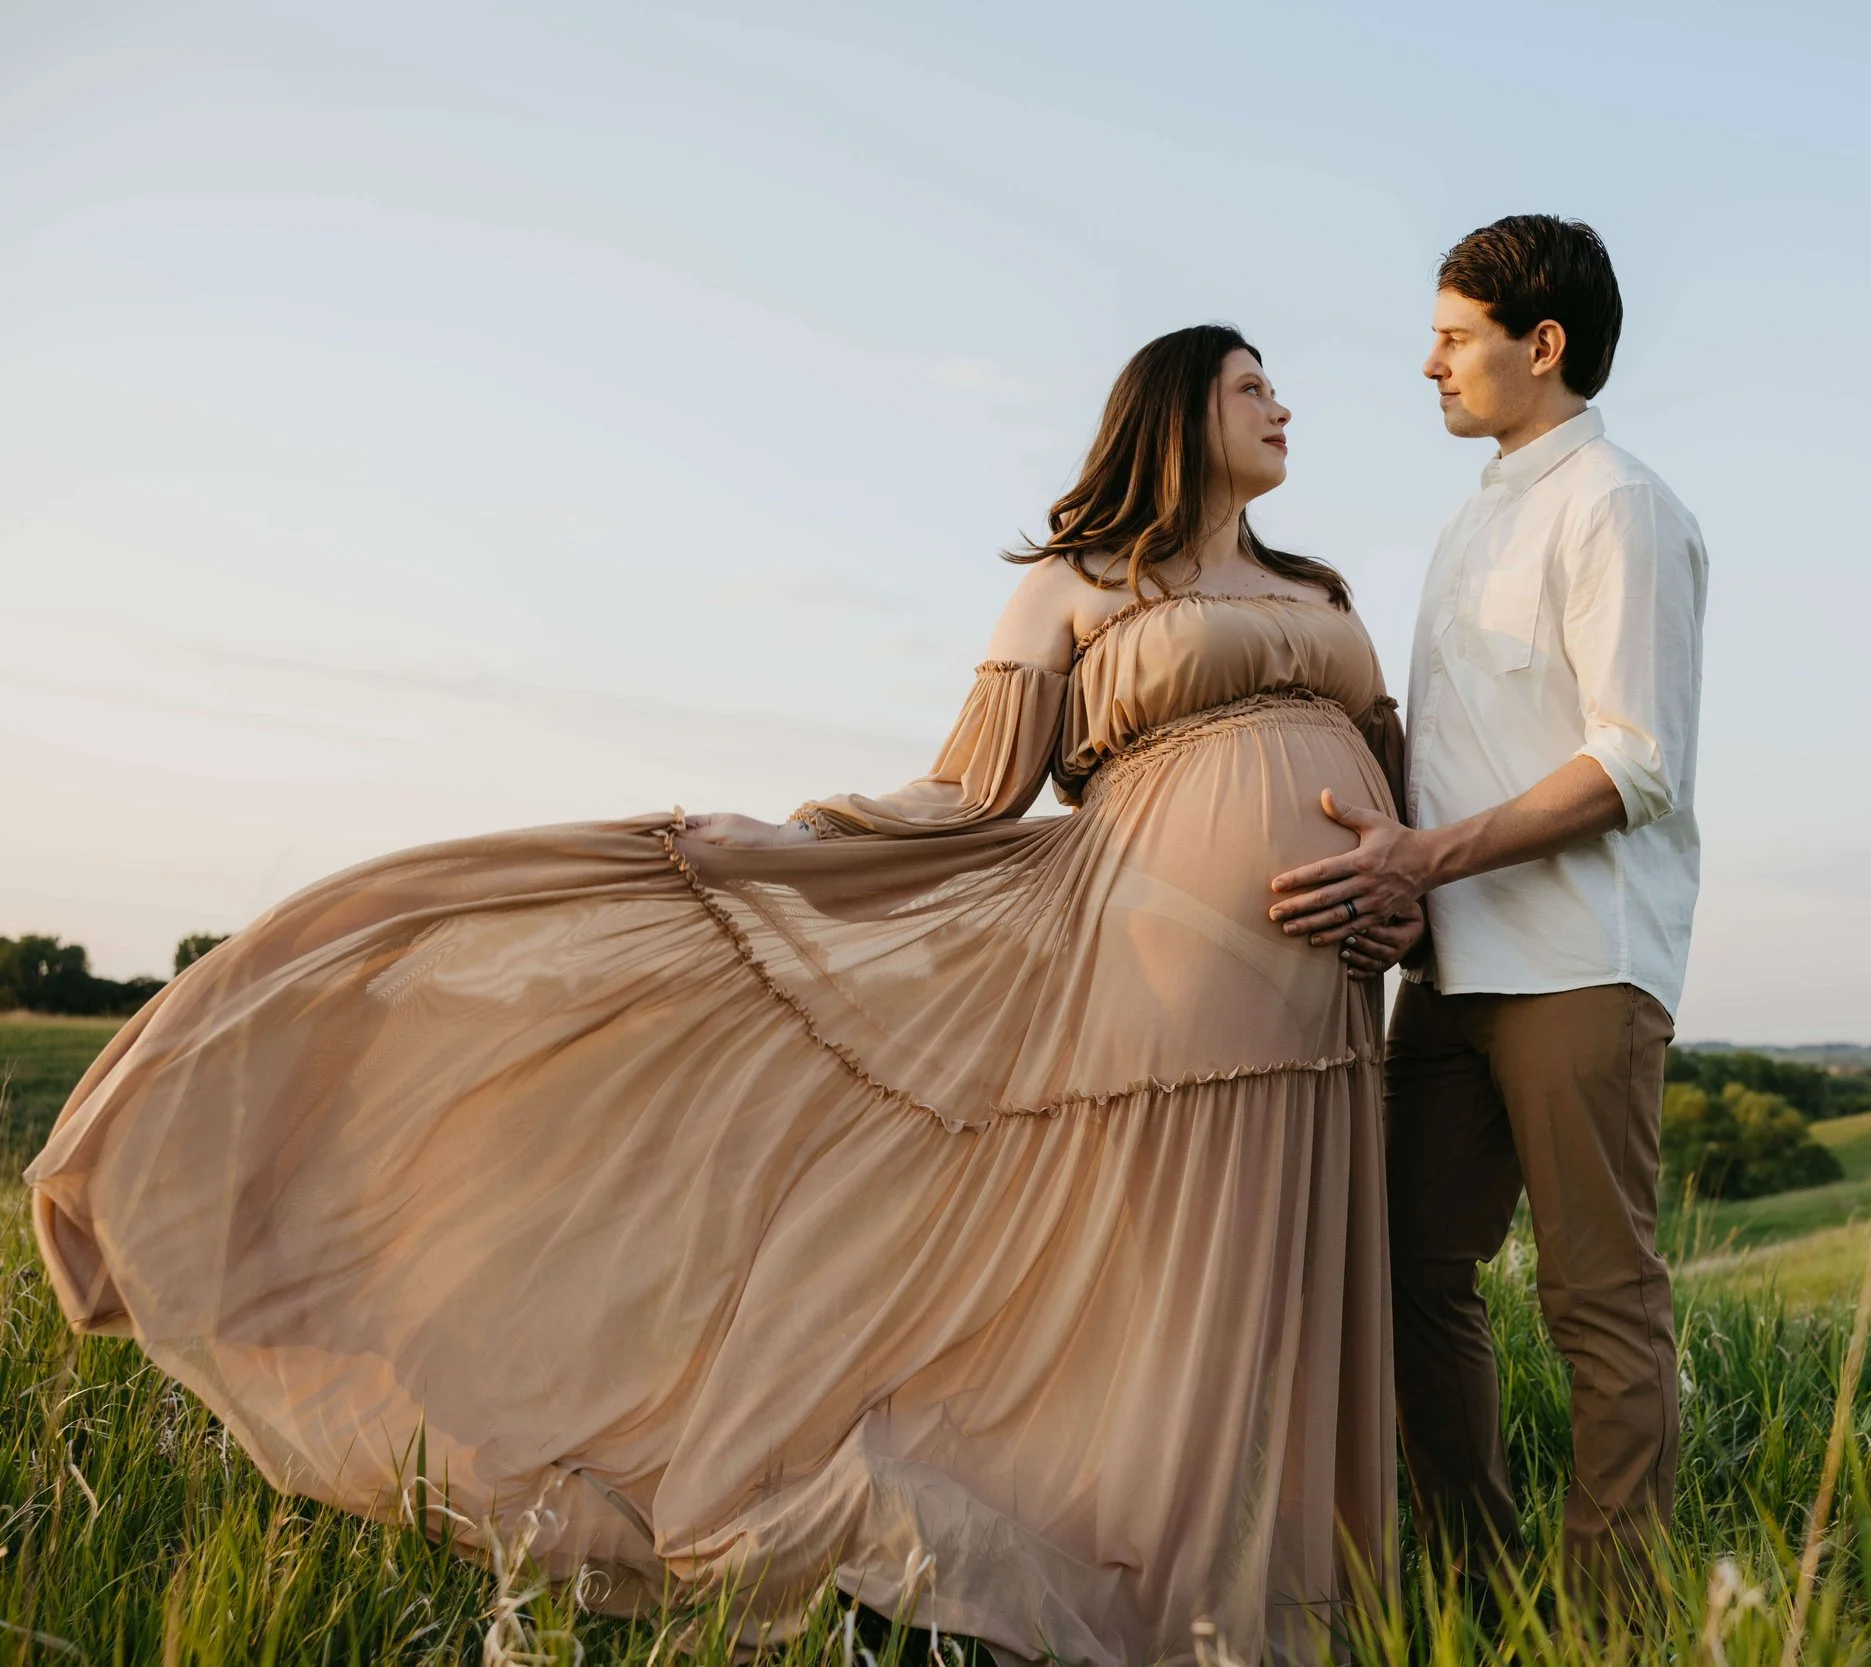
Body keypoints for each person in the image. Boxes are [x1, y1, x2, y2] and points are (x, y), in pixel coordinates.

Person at [28, 324, 1413, 1665]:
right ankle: (1159, 1592)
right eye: (1252, 384)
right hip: (1155, 986)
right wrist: (788, 842)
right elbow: (969, 791)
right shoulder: (1079, 581)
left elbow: (1403, 795)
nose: (1285, 404)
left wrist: (1409, 898)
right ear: (1175, 412)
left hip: (1331, 996)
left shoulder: (1327, 593)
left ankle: (1278, 1601)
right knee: (1177, 1272)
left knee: (1290, 1273)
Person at [1267, 216, 1707, 1591]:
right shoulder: (1472, 521)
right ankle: (1478, 1582)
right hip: (1450, 968)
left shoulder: (1618, 504)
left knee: (1599, 1305)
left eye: (1454, 337)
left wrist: (1426, 860)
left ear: (1544, 344)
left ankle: (1609, 1617)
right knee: (1403, 1270)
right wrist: (1400, 875)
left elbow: (1634, 761)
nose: (1429, 364)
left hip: (1579, 960)